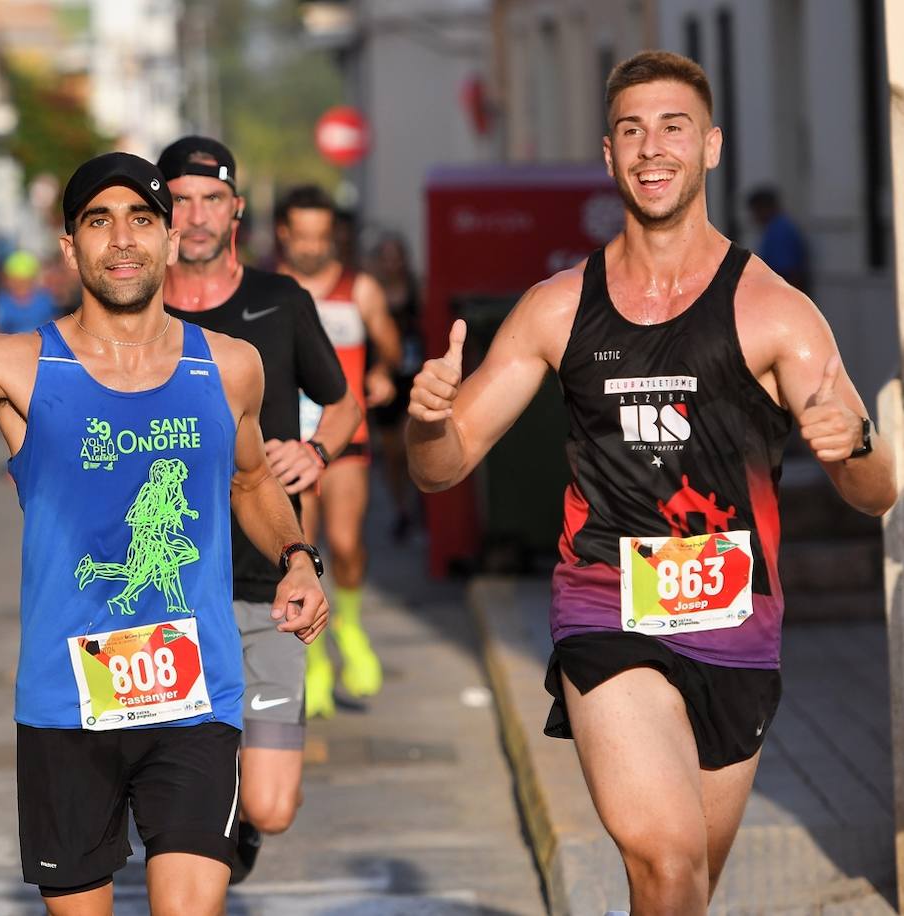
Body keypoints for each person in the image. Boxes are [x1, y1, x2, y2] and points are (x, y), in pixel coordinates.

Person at [405, 51, 896, 913]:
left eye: (673, 127)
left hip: (738, 623)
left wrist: (854, 442)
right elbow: (442, 469)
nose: (651, 147)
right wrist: (426, 420)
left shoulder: (775, 310)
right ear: (608, 155)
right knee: (665, 860)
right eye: (631, 130)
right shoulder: (558, 307)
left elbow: (876, 491)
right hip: (606, 608)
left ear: (710, 147)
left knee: (685, 885)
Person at [0, 155, 329, 915]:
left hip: (195, 693)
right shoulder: (18, 365)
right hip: (68, 703)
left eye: (141, 220)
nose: (122, 239)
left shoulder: (230, 367)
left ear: (168, 241)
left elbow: (252, 479)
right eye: (99, 221)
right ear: (71, 246)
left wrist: (297, 559)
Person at [158, 136, 361, 883]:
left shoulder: (281, 302)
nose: (197, 215)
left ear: (237, 209)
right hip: (164, 586)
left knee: (273, 807)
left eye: (212, 199)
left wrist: (318, 453)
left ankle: (238, 817)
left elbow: (340, 404)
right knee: (172, 791)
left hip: (268, 578)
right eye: (180, 199)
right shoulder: (133, 306)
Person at [276, 186, 401, 717]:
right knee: (303, 552)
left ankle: (348, 624)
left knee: (345, 545)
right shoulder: (270, 290)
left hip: (346, 436)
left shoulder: (360, 289)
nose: (312, 247)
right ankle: (316, 661)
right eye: (302, 236)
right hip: (289, 442)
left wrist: (379, 371)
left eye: (322, 237)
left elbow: (390, 345)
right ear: (283, 233)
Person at [366, 233, 425, 542]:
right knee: (391, 452)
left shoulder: (418, 290)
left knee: (409, 444)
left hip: (414, 377)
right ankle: (401, 508)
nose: (391, 262)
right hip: (384, 379)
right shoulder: (370, 293)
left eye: (396, 255)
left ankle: (417, 506)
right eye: (385, 256)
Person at [746, 185, 811, 294]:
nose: (754, 217)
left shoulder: (779, 231)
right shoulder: (777, 227)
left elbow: (786, 271)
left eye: (756, 211)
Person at [0, 250, 59, 335]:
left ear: (31, 280)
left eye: (22, 281)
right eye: (14, 280)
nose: (18, 285)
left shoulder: (45, 301)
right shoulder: (0, 302)